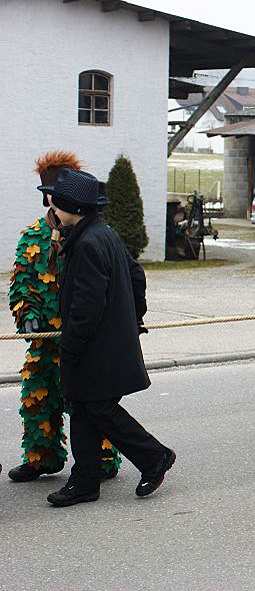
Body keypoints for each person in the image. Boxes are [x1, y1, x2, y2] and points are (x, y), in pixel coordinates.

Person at [40, 168, 174, 507]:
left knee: (99, 409)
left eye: (57, 204)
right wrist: (133, 317)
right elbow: (136, 275)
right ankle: (85, 480)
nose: (52, 209)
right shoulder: (102, 233)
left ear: (74, 208)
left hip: (94, 349)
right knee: (85, 409)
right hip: (105, 345)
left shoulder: (87, 243)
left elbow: (86, 308)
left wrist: (70, 349)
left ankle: (154, 457)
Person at [8, 151, 120, 483]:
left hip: (81, 337)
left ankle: (100, 458)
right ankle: (42, 456)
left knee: (88, 402)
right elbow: (21, 283)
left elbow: (116, 281)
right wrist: (26, 314)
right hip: (44, 339)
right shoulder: (32, 236)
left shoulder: (92, 233)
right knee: (37, 396)